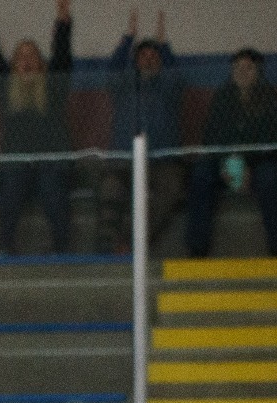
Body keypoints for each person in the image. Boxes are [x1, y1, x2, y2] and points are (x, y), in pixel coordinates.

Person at [0, 0, 75, 256]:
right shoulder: (5, 90)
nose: (27, 60)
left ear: (42, 64)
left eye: (32, 56)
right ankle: (5, 249)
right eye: (20, 56)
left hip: (51, 163)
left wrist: (63, 21)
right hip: (16, 163)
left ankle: (62, 250)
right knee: (10, 188)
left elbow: (62, 58)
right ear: (14, 66)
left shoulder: (54, 89)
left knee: (53, 191)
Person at [185, 49, 277, 260]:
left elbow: (274, 139)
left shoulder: (270, 98)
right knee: (201, 175)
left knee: (271, 177)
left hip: (259, 164)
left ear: (257, 71)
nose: (242, 72)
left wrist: (249, 167)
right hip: (224, 163)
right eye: (238, 68)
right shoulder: (222, 97)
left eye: (248, 68)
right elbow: (210, 135)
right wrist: (226, 163)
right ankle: (197, 249)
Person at [98, 12, 183, 254]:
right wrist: (128, 40)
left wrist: (164, 44)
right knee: (110, 189)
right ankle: (105, 248)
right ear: (135, 61)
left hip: (162, 162)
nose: (148, 59)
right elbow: (112, 71)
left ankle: (133, 242)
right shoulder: (124, 87)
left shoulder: (168, 89)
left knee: (171, 190)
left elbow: (175, 76)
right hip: (124, 160)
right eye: (143, 55)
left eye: (153, 56)